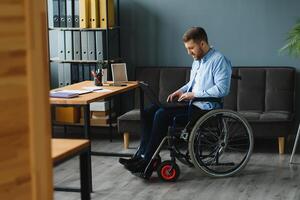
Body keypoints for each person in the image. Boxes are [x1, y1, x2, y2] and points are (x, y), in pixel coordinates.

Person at [119, 27, 232, 176]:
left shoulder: (219, 60)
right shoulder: (197, 61)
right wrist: (181, 91)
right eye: (187, 48)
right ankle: (141, 154)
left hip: (205, 109)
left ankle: (147, 160)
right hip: (192, 104)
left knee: (161, 115)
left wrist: (194, 94)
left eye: (191, 48)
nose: (189, 52)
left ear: (203, 44)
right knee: (148, 112)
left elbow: (222, 89)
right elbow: (192, 83)